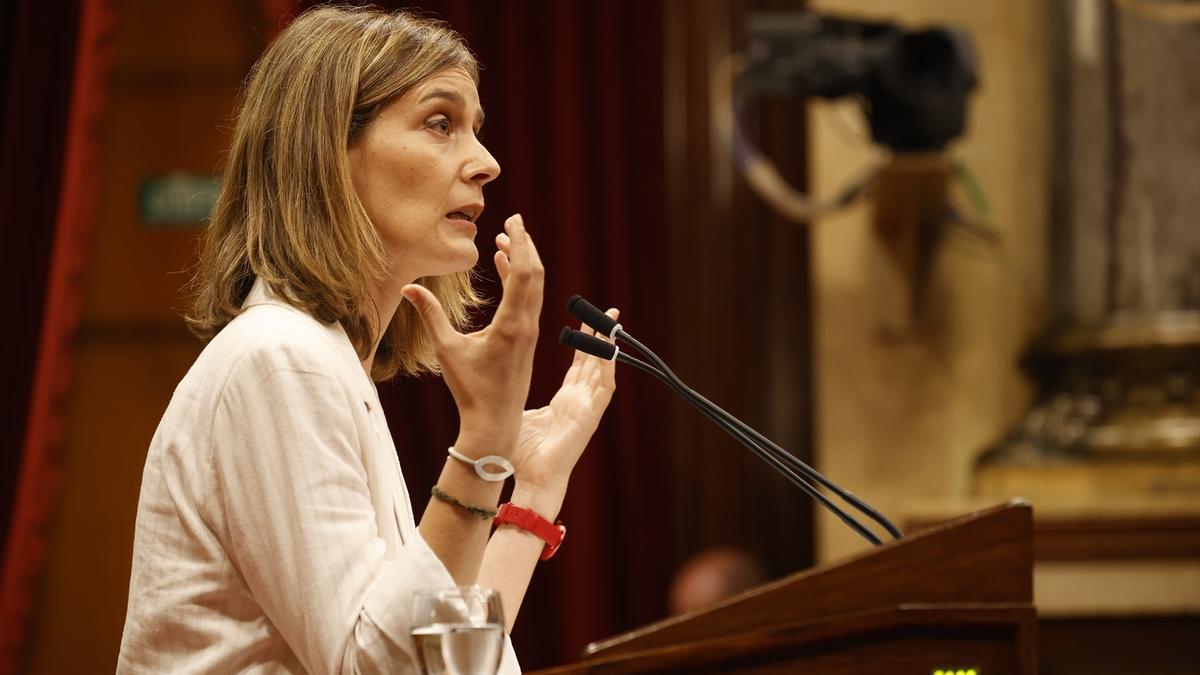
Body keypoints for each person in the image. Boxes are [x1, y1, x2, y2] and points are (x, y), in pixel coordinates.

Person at [117, 6, 617, 673]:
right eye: (441, 123)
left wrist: (530, 487)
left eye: (475, 129)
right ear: (328, 150)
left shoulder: (322, 361)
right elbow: (380, 667)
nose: (486, 163)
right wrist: (480, 447)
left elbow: (445, 662)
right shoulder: (278, 359)